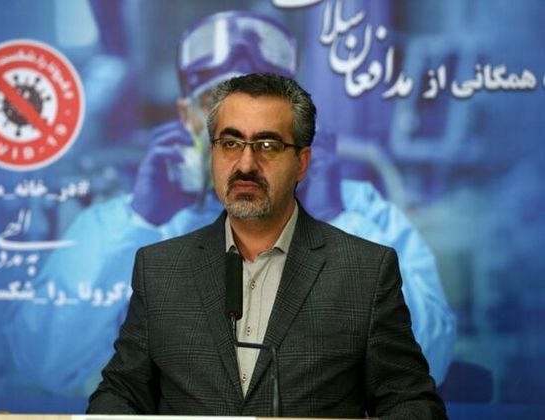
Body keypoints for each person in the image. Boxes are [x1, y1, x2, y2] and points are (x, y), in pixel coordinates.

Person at [6, 11, 455, 395]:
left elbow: (425, 364)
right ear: (186, 119)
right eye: (218, 109)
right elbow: (46, 363)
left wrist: (335, 220)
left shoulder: (362, 214)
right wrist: (137, 221)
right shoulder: (125, 226)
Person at [87, 73, 446, 418]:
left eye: (268, 146)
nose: (245, 165)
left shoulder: (365, 270)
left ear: (302, 163)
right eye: (230, 144)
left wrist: (332, 212)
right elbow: (119, 393)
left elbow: (411, 402)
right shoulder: (160, 268)